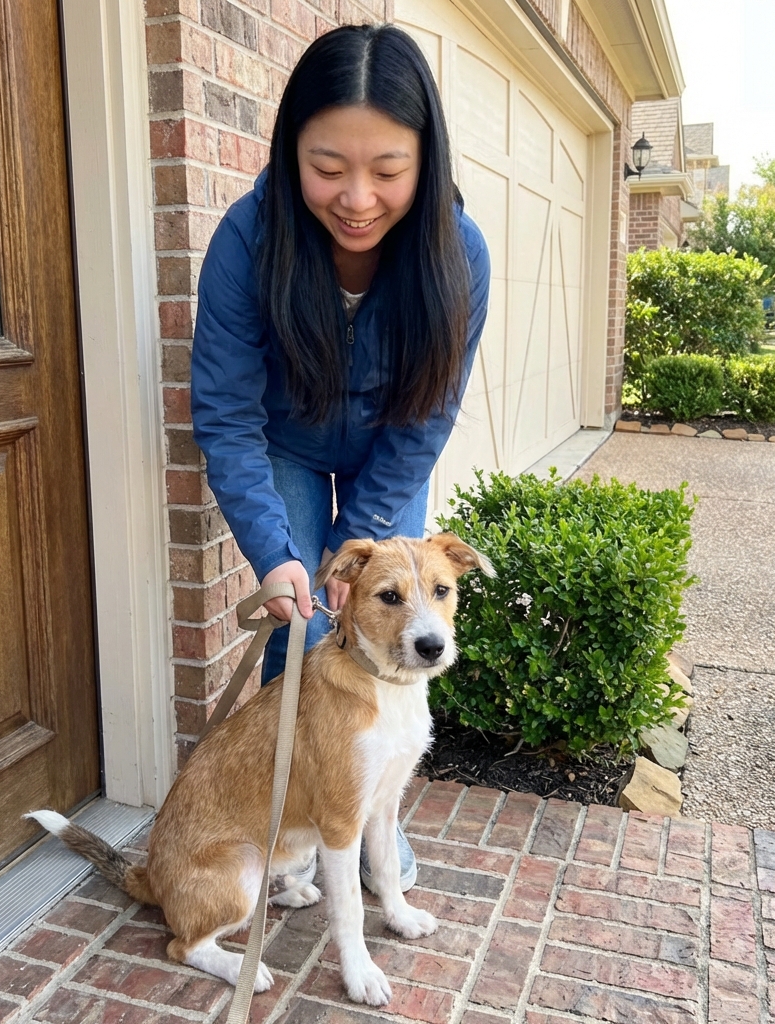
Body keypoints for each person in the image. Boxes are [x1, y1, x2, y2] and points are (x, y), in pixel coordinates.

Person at [190, 23, 490, 892]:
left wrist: (361, 545)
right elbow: (226, 413)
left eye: (388, 170)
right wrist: (280, 555)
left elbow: (426, 420)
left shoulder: (458, 253)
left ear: (425, 159)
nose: (358, 197)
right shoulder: (248, 240)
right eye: (329, 168)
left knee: (389, 630)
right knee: (305, 632)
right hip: (281, 441)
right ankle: (300, 826)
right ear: (291, 152)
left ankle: (369, 828)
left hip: (391, 452)